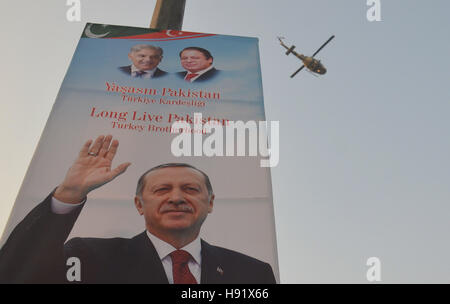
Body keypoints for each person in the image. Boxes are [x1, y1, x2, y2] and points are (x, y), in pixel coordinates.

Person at [0, 135, 276, 284]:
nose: (177, 198)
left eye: (191, 189)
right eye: (162, 190)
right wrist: (69, 195)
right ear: (139, 204)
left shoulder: (253, 273)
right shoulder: (88, 256)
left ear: (210, 203)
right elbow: (16, 273)